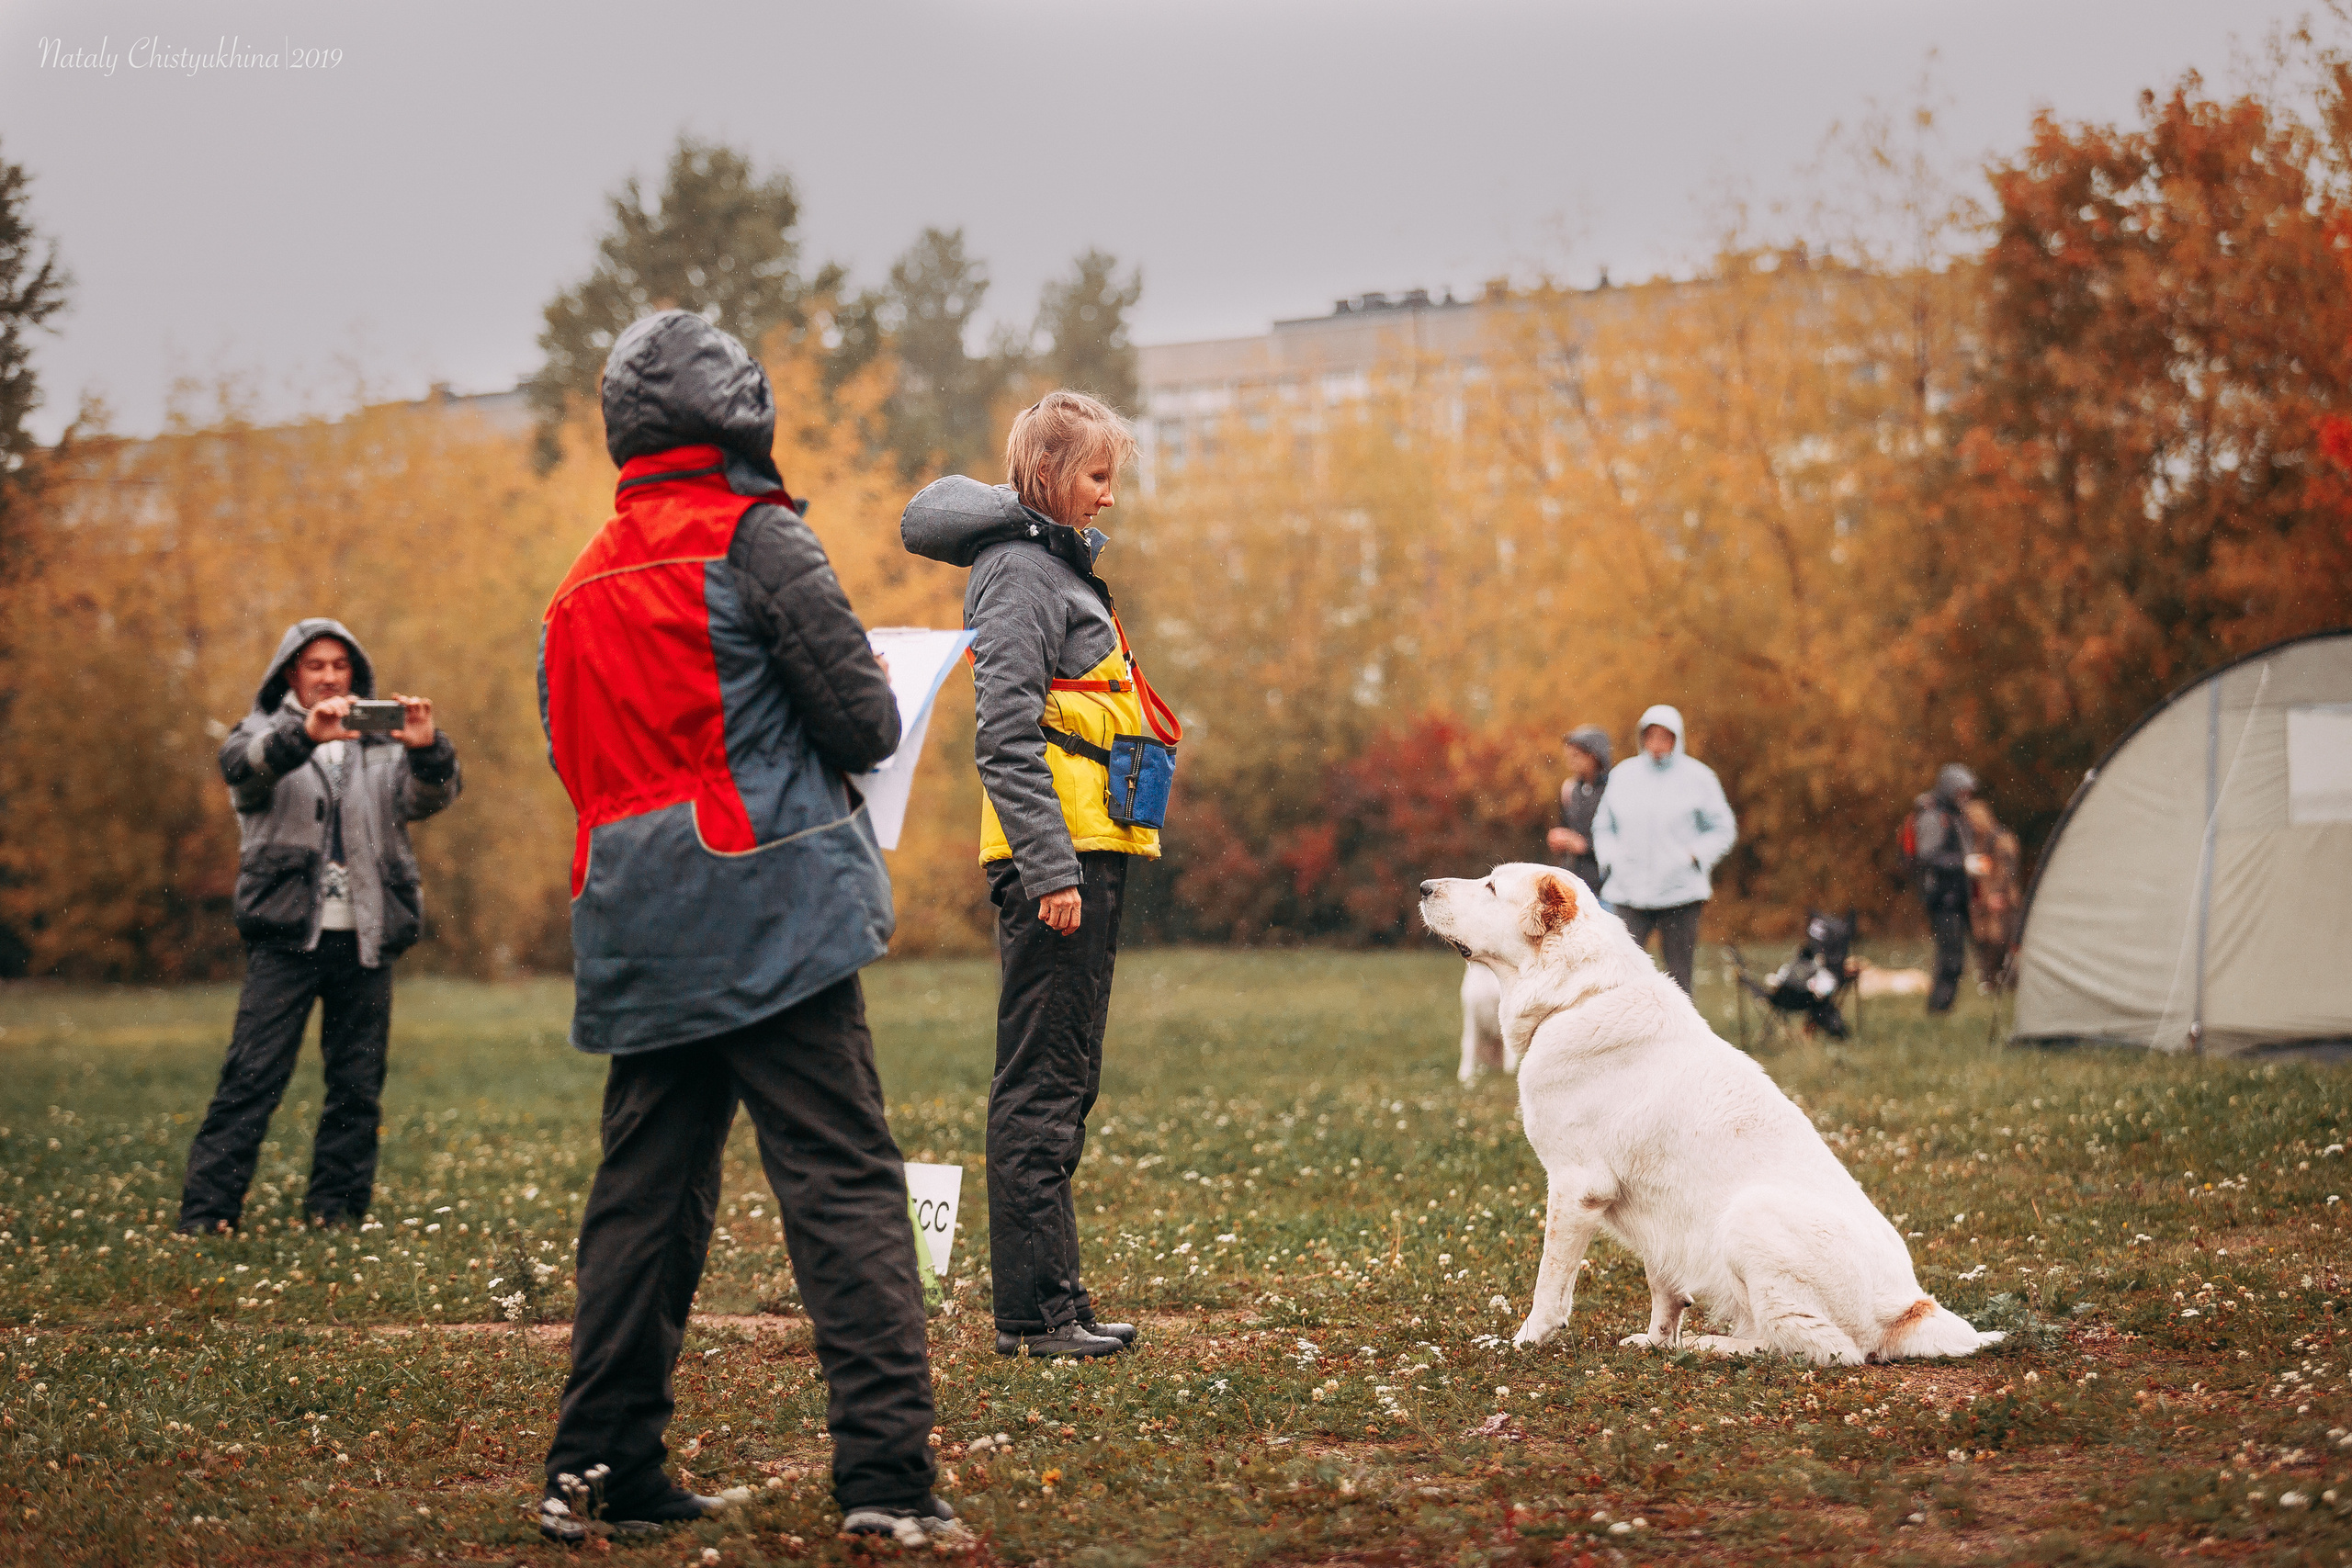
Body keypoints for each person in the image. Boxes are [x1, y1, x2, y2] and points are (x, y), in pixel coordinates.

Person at [534, 311, 961, 1549]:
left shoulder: (573, 586)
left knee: (644, 1200)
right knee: (841, 1181)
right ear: (741, 415)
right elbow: (864, 723)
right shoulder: (760, 536)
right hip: (772, 902)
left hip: (635, 911)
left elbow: (579, 755)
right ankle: (886, 1475)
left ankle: (597, 1471)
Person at [901, 390, 1178, 1361]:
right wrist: (1048, 865)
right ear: (1052, 474)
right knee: (1038, 1086)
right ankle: (1032, 1318)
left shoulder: (1045, 566)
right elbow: (1005, 734)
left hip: (1090, 852)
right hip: (1056, 866)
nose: (1107, 497)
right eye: (1098, 477)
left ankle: (1057, 1301)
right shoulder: (1018, 574)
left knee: (1067, 1079)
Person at [177, 620, 458, 1235]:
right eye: (315, 665)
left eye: (339, 664)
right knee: (251, 1078)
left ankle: (337, 1214)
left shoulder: (382, 741)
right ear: (290, 674)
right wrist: (302, 736)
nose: (329, 675)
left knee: (357, 1087)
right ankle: (207, 1214)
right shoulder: (259, 732)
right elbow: (241, 769)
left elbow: (429, 799)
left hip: (365, 934)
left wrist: (427, 749)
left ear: (353, 672)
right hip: (284, 939)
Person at [1590, 704, 1737, 996]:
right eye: (1651, 736)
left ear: (1676, 739)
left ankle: (1679, 1040)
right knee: (1618, 976)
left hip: (1679, 893)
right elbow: (1603, 825)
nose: (1657, 744)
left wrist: (1694, 856)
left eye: (1665, 737)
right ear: (1642, 738)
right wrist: (1611, 860)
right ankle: (1624, 1037)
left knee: (1679, 981)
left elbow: (1723, 829)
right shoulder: (1623, 776)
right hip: (1628, 892)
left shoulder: (1699, 778)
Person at [1907, 763, 1978, 1012]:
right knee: (1950, 958)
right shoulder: (1933, 817)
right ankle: (1938, 1010)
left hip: (1956, 897)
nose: (1966, 798)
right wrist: (1963, 864)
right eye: (1962, 792)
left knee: (1955, 957)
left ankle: (1943, 1007)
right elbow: (1927, 856)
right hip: (1942, 898)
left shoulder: (1954, 815)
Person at [1962, 792, 2024, 988]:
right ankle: (1990, 982)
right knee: (1984, 940)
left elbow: (2009, 869)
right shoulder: (1976, 840)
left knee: (2003, 940)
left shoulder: (2001, 838)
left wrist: (1999, 894)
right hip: (1983, 899)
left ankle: (2008, 981)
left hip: (2002, 897)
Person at [1544, 726, 1611, 899]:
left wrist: (1586, 846)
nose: (1570, 761)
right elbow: (1565, 826)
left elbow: (1626, 838)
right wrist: (1560, 838)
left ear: (1595, 756)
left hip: (1608, 884)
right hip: (1576, 882)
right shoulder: (1571, 789)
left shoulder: (1613, 788)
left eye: (1576, 756)